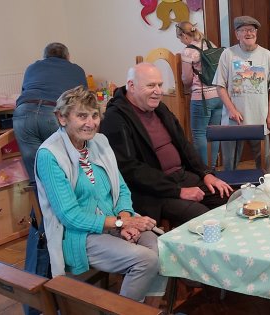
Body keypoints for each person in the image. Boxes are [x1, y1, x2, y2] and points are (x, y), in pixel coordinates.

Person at [35, 86, 166, 306]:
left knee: (161, 247)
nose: (90, 123)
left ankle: (148, 310)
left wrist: (125, 219)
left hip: (113, 222)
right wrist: (122, 221)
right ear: (62, 118)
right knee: (146, 260)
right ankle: (126, 311)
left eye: (94, 115)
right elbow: (70, 216)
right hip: (77, 235)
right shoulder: (50, 155)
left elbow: (121, 189)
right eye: (82, 116)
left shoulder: (100, 142)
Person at [100, 63, 233, 228]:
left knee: (230, 199)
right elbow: (130, 170)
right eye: (151, 85)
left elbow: (184, 145)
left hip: (182, 177)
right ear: (131, 86)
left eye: (160, 85)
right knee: (203, 217)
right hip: (153, 192)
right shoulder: (115, 118)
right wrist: (178, 191)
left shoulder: (159, 108)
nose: (158, 91)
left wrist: (206, 173)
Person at [214, 15, 270, 172]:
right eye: (243, 30)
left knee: (264, 164)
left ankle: (265, 191)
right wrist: (231, 110)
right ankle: (228, 193)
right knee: (230, 164)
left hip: (260, 118)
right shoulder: (228, 54)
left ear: (256, 32)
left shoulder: (266, 55)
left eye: (251, 29)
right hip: (233, 121)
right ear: (237, 34)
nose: (248, 33)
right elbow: (220, 86)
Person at [14, 42, 87, 183]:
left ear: (44, 57)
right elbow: (82, 101)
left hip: (23, 113)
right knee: (65, 167)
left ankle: (42, 204)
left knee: (36, 170)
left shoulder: (32, 68)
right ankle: (67, 202)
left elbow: (25, 91)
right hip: (53, 112)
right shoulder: (76, 70)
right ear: (68, 57)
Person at [176, 21, 224, 168]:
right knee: (214, 133)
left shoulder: (188, 51)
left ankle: (203, 171)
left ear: (184, 35)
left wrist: (185, 86)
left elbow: (187, 78)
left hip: (201, 98)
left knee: (199, 134)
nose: (180, 40)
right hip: (219, 95)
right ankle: (212, 167)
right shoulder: (210, 44)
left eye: (179, 37)